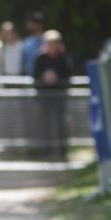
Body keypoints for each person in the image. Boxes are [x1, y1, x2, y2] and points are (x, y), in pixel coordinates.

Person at [33, 30, 73, 161]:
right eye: (49, 43)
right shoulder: (40, 58)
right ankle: (45, 150)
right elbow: (35, 76)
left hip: (60, 95)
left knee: (61, 122)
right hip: (44, 96)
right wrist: (44, 78)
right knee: (44, 123)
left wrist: (57, 78)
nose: (52, 45)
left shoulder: (64, 58)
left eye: (54, 43)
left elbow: (68, 75)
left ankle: (62, 150)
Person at [22, 11, 46, 77]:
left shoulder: (48, 41)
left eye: (31, 22)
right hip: (29, 79)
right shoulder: (26, 42)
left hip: (44, 81)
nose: (28, 24)